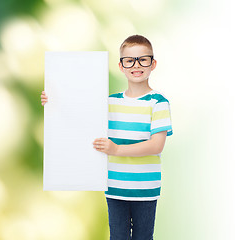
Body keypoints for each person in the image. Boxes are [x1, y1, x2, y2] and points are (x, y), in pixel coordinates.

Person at [41, 34, 173, 240]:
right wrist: (53, 101)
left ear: (152, 63)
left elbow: (156, 145)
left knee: (143, 237)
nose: (136, 65)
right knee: (117, 237)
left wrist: (117, 149)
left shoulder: (158, 102)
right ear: (121, 66)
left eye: (143, 59)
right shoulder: (109, 102)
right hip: (114, 187)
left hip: (145, 188)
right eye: (129, 60)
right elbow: (81, 114)